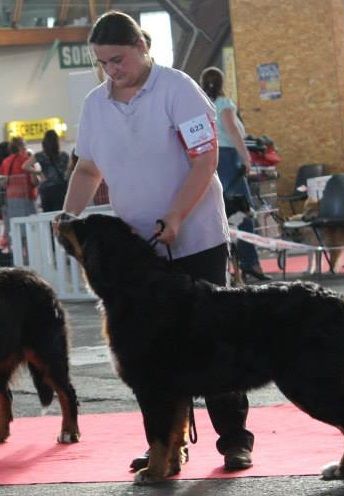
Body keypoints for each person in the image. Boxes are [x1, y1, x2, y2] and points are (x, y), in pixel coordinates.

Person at [55, 10, 254, 472]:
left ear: (143, 48)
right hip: (139, 252)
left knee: (213, 344)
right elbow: (87, 169)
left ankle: (234, 440)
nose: (112, 70)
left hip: (196, 236)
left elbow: (204, 160)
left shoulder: (178, 88)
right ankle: (165, 445)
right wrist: (69, 214)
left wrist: (178, 215)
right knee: (150, 355)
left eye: (119, 59)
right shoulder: (95, 105)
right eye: (103, 62)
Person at [200, 66, 271, 281]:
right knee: (243, 212)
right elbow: (232, 131)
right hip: (230, 158)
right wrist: (247, 158)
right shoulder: (224, 104)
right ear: (222, 83)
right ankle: (251, 262)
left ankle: (226, 266)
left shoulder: (201, 104)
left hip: (212, 158)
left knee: (220, 214)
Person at [0, 137, 37, 250]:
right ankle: (29, 256)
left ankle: (15, 256)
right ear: (21, 146)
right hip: (26, 199)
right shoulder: (26, 159)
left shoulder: (5, 162)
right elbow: (33, 181)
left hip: (10, 200)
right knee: (30, 229)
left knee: (14, 230)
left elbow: (3, 182)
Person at [22, 129, 69, 212]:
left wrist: (38, 172)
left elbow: (25, 166)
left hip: (46, 189)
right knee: (60, 215)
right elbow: (68, 171)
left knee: (48, 215)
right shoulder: (64, 155)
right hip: (61, 188)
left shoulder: (40, 155)